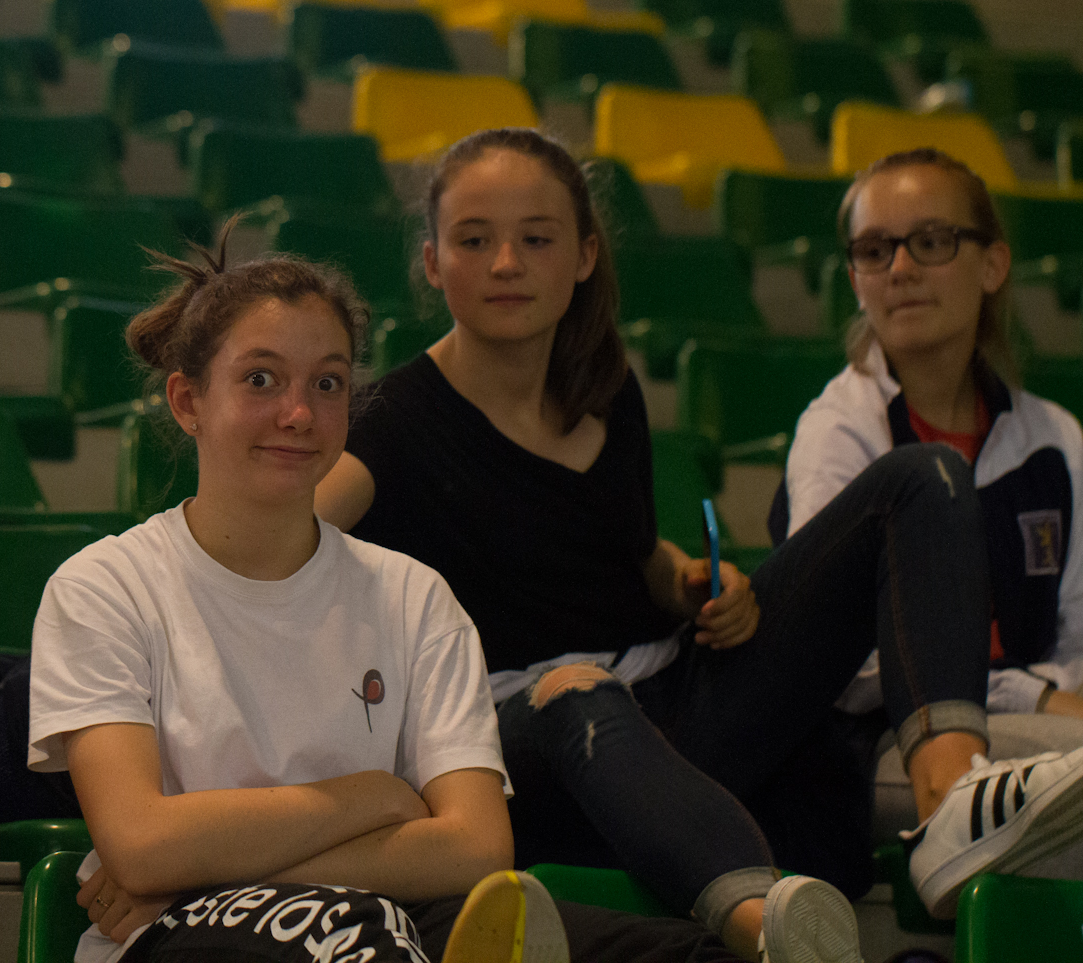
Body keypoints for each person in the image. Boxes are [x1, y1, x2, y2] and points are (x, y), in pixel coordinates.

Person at [313, 128, 1083, 929]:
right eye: (475, 240)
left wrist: (693, 583)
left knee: (925, 477)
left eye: (535, 238)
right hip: (531, 740)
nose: (506, 263)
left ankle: (950, 801)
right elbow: (285, 539)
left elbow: (631, 552)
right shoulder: (394, 421)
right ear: (434, 262)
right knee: (577, 691)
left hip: (673, 700)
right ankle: (770, 929)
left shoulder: (606, 388)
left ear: (583, 255)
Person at [23, 231, 846, 963]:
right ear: (187, 401)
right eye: (261, 379)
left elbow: (475, 848)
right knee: (367, 939)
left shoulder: (412, 595)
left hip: (384, 913)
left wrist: (214, 861)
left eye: (328, 383)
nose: (298, 412)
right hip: (189, 932)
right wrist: (377, 797)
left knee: (683, 951)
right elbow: (140, 843)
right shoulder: (106, 588)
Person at [777, 147, 1083, 909]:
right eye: (875, 249)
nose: (902, 268)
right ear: (855, 276)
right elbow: (843, 659)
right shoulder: (839, 431)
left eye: (932, 240)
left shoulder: (1055, 439)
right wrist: (1031, 695)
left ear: (993, 264)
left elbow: (1077, 636)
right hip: (895, 742)